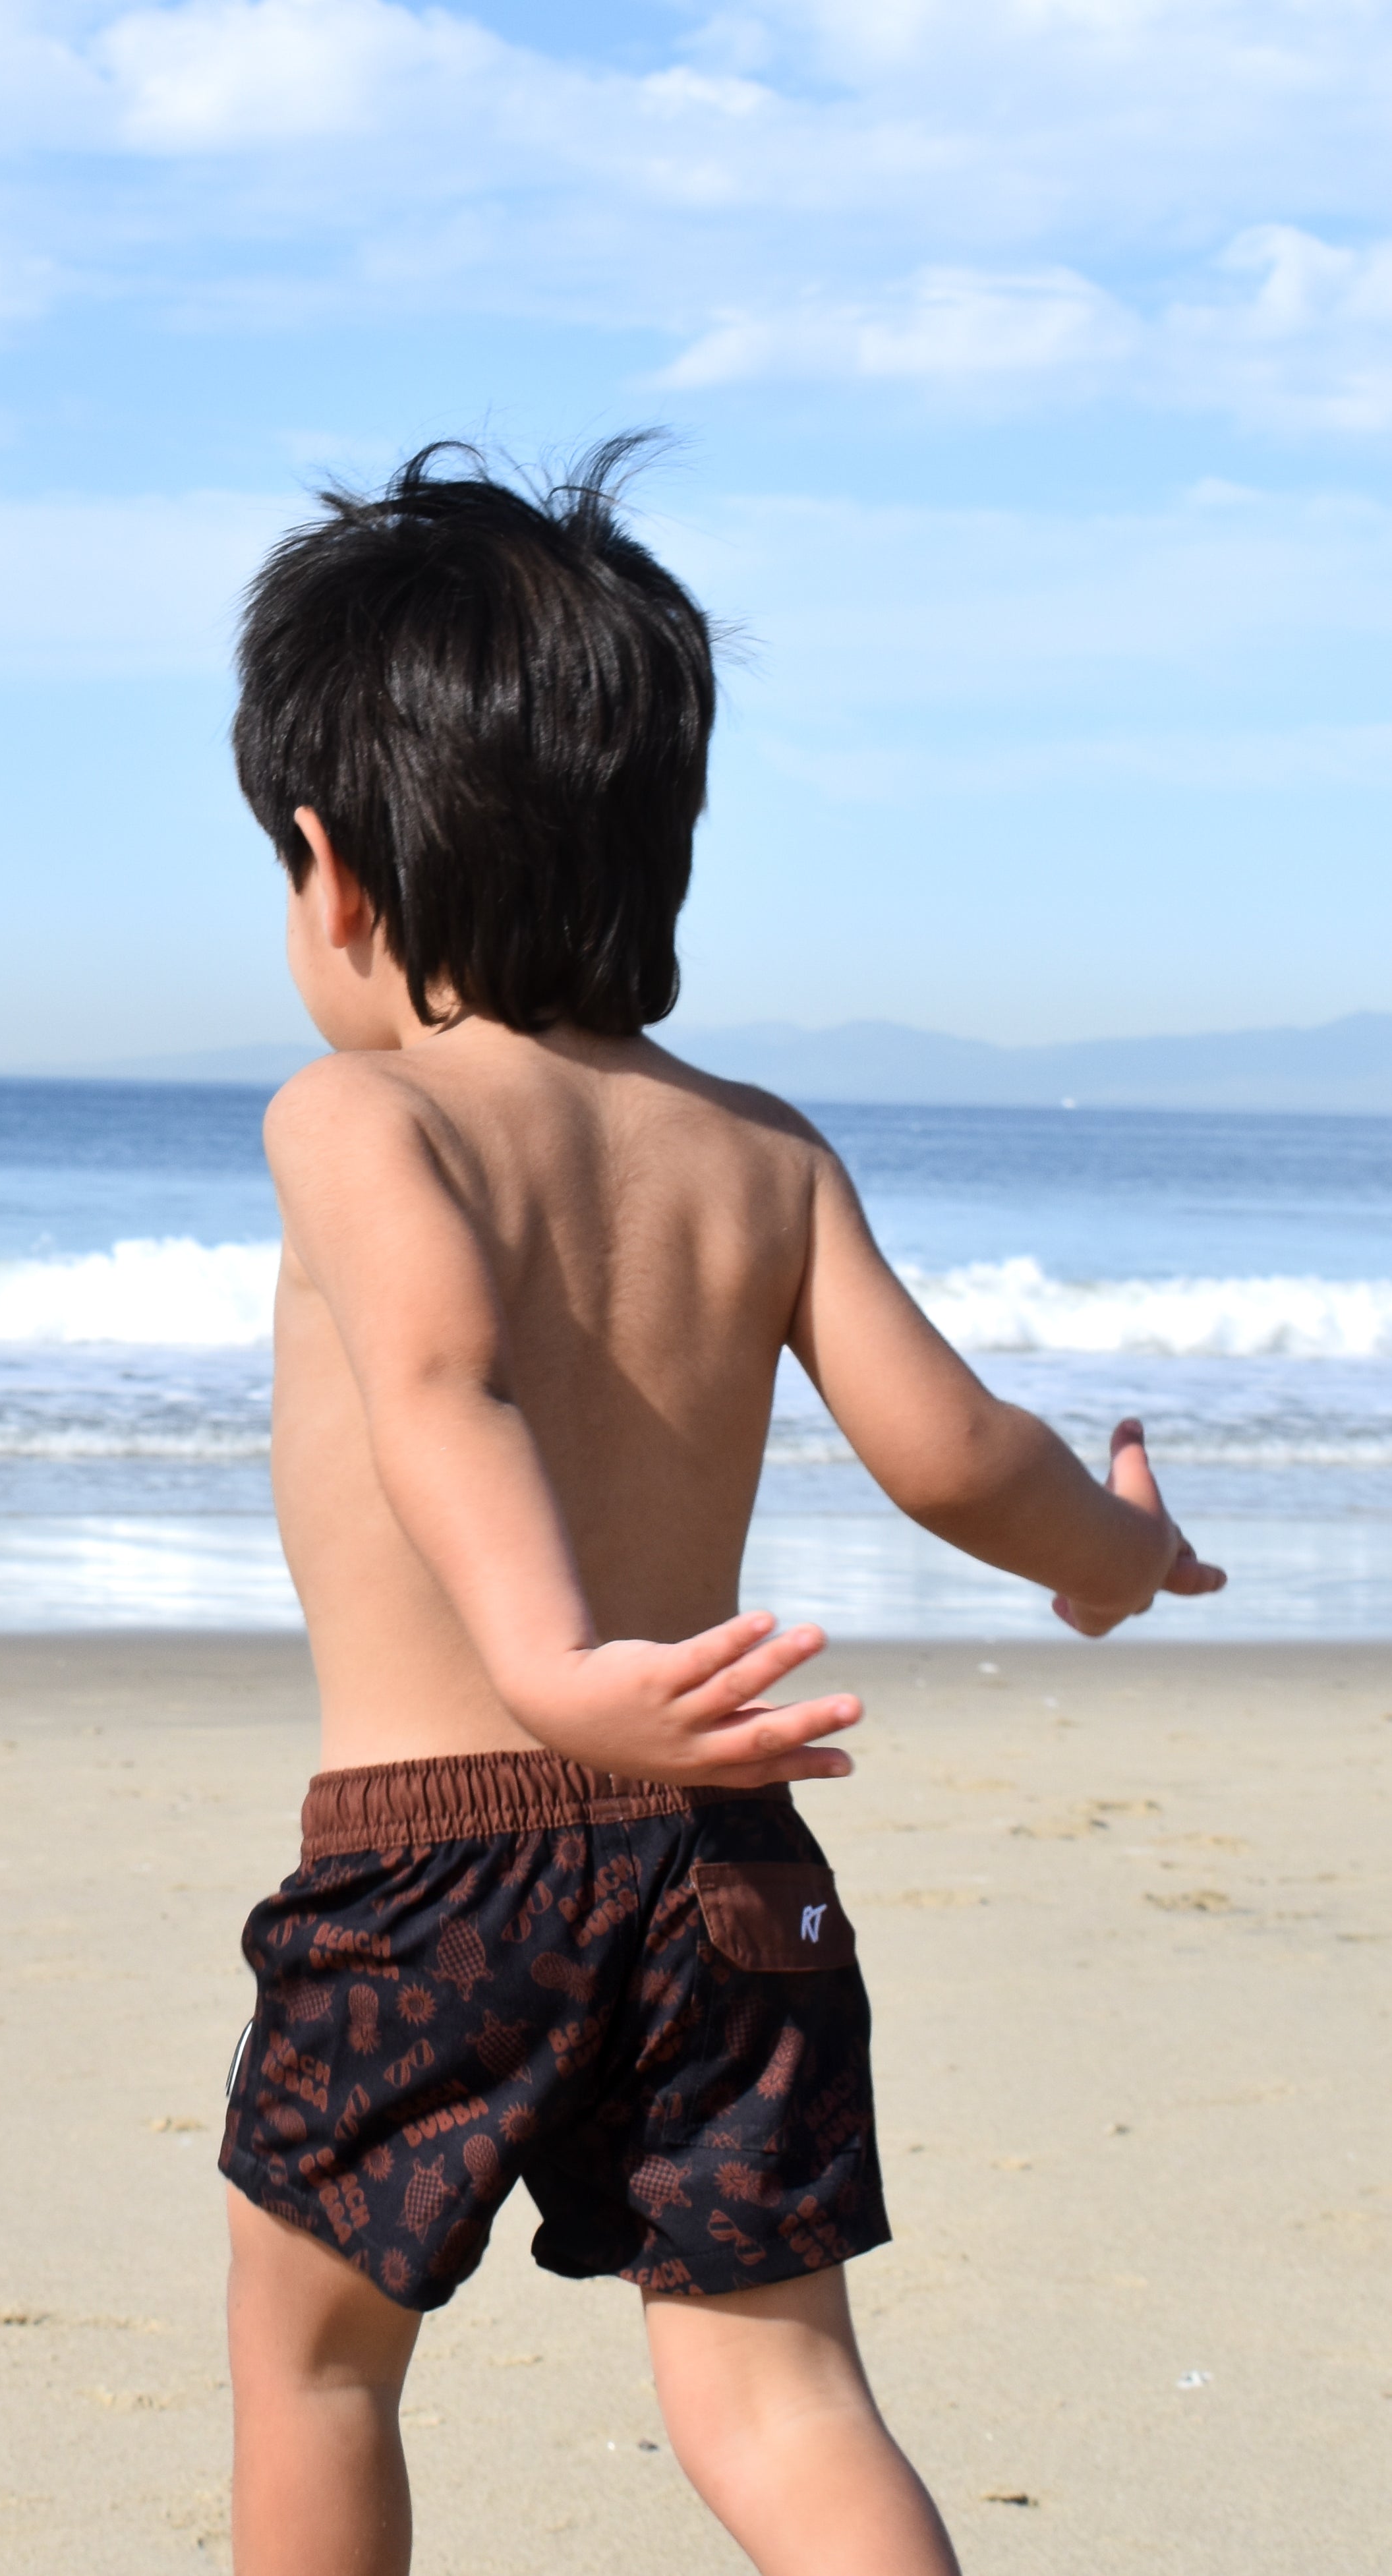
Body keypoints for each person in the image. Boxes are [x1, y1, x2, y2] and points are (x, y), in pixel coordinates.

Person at [216, 440, 1225, 2576]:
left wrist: (555, 1668)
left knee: (315, 2365)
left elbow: (437, 1378)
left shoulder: (353, 1112)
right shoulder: (759, 1151)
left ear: (329, 873)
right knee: (777, 2390)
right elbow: (950, 1447)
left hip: (431, 1865)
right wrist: (1112, 1556)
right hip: (717, 1861)